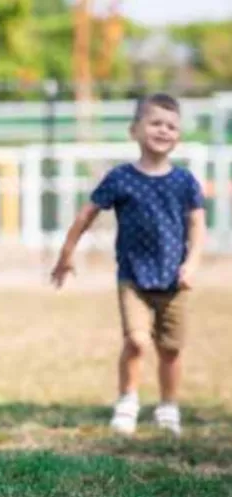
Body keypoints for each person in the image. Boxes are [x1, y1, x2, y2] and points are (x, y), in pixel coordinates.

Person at [52, 93, 206, 437]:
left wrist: (192, 263)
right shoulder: (120, 178)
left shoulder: (185, 182)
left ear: (178, 134)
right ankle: (128, 400)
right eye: (155, 123)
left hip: (174, 280)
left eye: (171, 126)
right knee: (137, 342)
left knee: (170, 349)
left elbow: (197, 225)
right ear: (134, 130)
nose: (163, 130)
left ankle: (168, 406)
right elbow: (86, 215)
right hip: (132, 278)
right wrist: (66, 254)